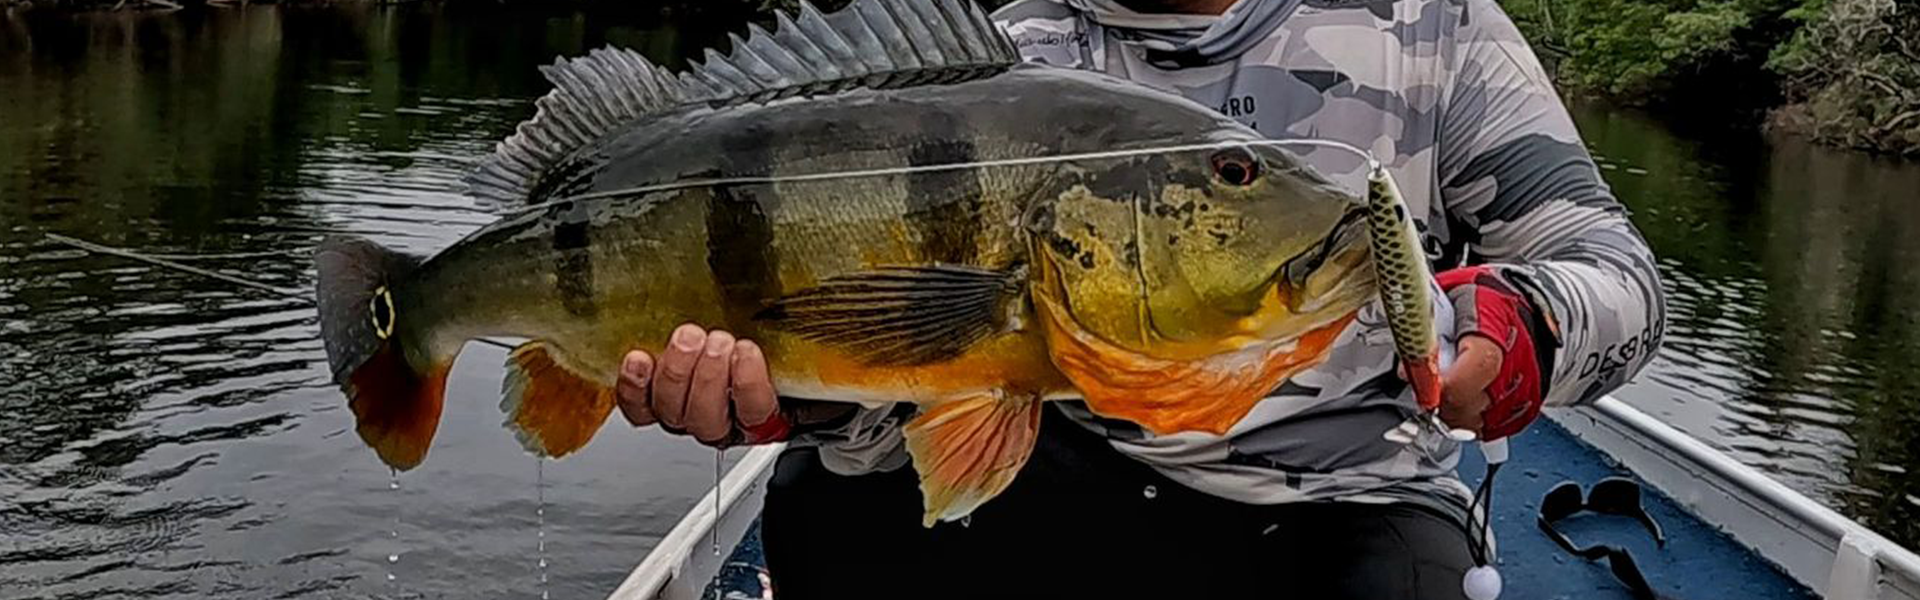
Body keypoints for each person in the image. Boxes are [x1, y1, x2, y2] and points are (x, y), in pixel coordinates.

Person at [614, 0, 1667, 597]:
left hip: (1331, 503)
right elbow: (908, 376)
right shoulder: (995, 54)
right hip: (1057, 468)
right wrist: (795, 399)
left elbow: (1615, 272)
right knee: (822, 505)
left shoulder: (1434, 33)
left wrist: (1522, 329)